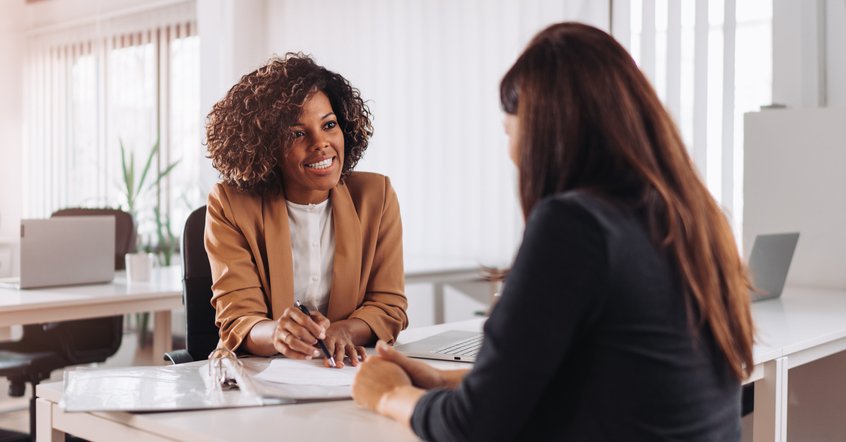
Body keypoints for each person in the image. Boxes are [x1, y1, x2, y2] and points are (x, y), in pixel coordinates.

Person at [352, 22, 754, 440]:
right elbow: (603, 378)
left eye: (509, 131)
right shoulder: (699, 218)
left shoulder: (575, 226)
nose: (511, 155)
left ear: (545, 131)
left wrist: (390, 395)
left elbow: (474, 428)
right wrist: (441, 382)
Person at [204, 53, 408, 368]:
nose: (321, 143)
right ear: (267, 146)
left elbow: (388, 306)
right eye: (298, 133)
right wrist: (277, 334)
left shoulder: (376, 197)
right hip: (259, 376)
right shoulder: (230, 204)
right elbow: (239, 318)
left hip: (344, 373)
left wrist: (344, 331)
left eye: (329, 125)